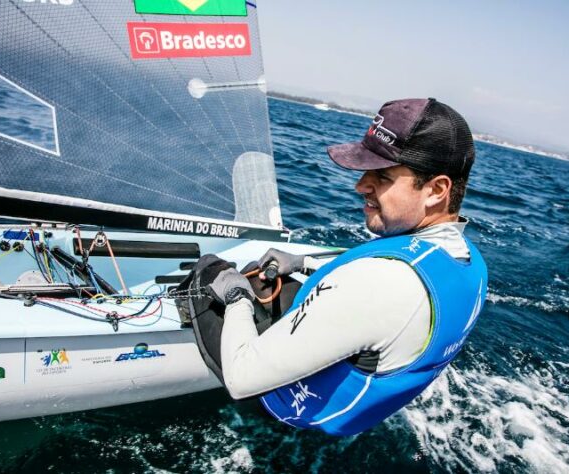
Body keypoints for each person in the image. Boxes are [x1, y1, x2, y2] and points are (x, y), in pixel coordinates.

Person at [204, 98, 488, 436]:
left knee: (211, 271)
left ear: (436, 190)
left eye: (382, 177)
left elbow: (242, 379)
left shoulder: (384, 284)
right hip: (357, 407)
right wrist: (302, 263)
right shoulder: (467, 260)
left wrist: (236, 296)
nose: (360, 186)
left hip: (285, 415)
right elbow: (380, 285)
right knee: (263, 277)